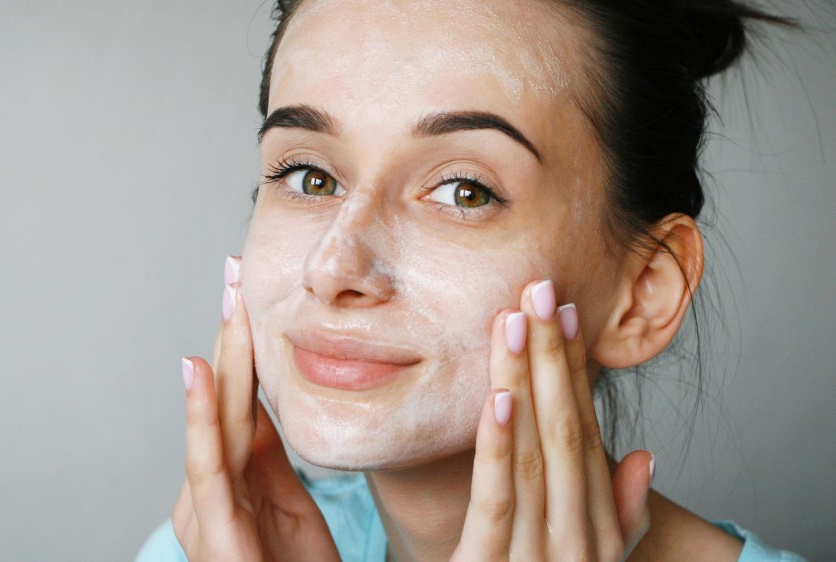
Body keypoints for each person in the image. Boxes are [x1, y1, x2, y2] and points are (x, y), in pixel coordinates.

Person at [140, 0, 807, 559]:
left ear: (643, 294)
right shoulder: (212, 546)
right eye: (309, 177)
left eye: (464, 190)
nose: (333, 267)